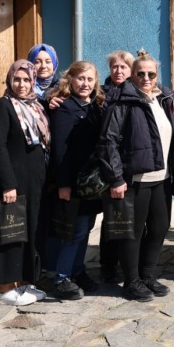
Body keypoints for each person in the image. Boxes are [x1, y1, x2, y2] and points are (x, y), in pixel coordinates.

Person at [92, 50, 174, 302]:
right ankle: (131, 280)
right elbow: (107, 142)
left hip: (162, 177)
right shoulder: (123, 101)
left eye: (151, 74)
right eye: (141, 73)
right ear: (133, 75)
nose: (146, 78)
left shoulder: (163, 98)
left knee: (160, 228)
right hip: (135, 180)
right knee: (133, 232)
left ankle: (147, 275)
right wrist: (116, 178)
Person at [0, 60, 50, 306]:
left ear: (33, 81)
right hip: (12, 181)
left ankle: (23, 282)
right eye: (16, 79)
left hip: (33, 181)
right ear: (10, 80)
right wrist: (7, 184)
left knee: (29, 231)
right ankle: (5, 288)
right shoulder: (2, 106)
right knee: (8, 234)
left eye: (26, 80)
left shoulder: (36, 106)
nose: (21, 84)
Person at [41, 61, 106, 300]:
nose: (85, 84)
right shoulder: (65, 108)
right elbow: (60, 149)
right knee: (73, 232)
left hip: (91, 183)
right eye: (81, 79)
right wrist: (64, 184)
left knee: (86, 229)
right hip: (73, 182)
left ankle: (78, 270)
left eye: (90, 80)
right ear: (71, 79)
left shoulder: (97, 106)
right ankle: (62, 277)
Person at [99, 50, 135, 284]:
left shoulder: (137, 92)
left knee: (131, 216)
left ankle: (129, 262)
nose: (118, 71)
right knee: (112, 218)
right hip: (109, 163)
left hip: (132, 164)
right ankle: (109, 265)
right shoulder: (101, 95)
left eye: (123, 67)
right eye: (115, 67)